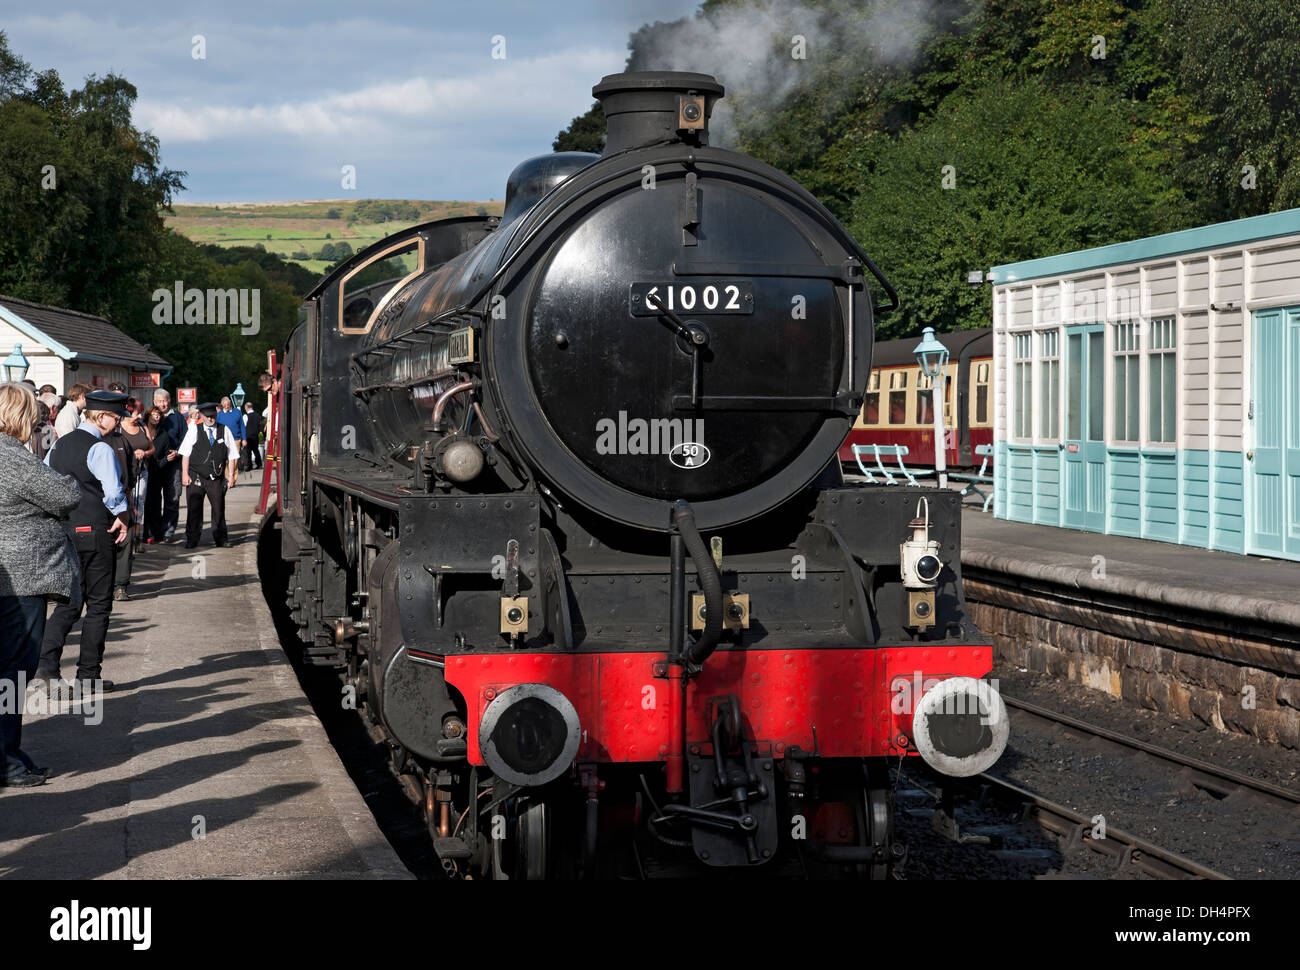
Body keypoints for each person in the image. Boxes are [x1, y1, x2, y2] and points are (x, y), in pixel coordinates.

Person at [0, 383, 81, 787]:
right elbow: (64, 494)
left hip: (11, 576)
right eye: (33, 415)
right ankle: (7, 760)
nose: (38, 422)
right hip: (19, 578)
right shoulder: (11, 456)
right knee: (14, 670)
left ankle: (11, 752)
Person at [35, 390, 130, 695]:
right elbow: (113, 492)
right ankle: (88, 675)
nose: (117, 424)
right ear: (100, 416)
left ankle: (46, 667)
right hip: (96, 531)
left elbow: (47, 483)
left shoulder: (59, 445)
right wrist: (124, 516)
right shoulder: (99, 449)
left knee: (68, 603)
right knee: (99, 604)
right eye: (115, 418)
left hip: (65, 531)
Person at [179, 402, 239, 548]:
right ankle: (192, 539)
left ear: (216, 415)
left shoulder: (224, 430)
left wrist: (231, 476)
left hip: (216, 478)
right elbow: (185, 454)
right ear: (201, 416)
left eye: (213, 416)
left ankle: (221, 539)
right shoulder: (194, 430)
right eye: (207, 416)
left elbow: (232, 455)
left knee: (218, 509)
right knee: (194, 509)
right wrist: (185, 474)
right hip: (196, 476)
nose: (210, 419)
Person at [114, 405, 153, 596]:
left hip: (130, 485)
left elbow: (149, 448)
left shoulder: (136, 432)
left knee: (127, 535)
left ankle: (121, 584)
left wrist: (143, 454)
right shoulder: (111, 435)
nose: (138, 416)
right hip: (110, 491)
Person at [149, 389, 185, 541]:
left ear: (169, 401)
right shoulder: (149, 416)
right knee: (154, 499)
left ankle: (168, 532)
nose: (163, 404)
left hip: (173, 464)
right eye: (159, 401)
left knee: (173, 498)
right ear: (154, 402)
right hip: (155, 464)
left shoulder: (178, 417)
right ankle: (154, 532)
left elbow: (186, 438)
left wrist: (177, 452)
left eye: (165, 401)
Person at [215, 397, 245, 485]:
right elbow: (217, 428)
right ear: (222, 405)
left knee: (234, 459)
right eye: (225, 405)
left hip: (236, 439)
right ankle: (227, 477)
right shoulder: (219, 414)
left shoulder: (237, 412)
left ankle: (232, 479)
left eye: (228, 404)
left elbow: (242, 426)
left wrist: (244, 438)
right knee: (226, 460)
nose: (227, 406)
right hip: (223, 440)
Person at [241, 401, 262, 471]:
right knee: (256, 450)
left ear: (246, 408)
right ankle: (259, 464)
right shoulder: (258, 415)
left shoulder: (245, 416)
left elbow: (243, 426)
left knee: (247, 451)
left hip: (248, 436)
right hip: (255, 435)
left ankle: (249, 466)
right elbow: (259, 426)